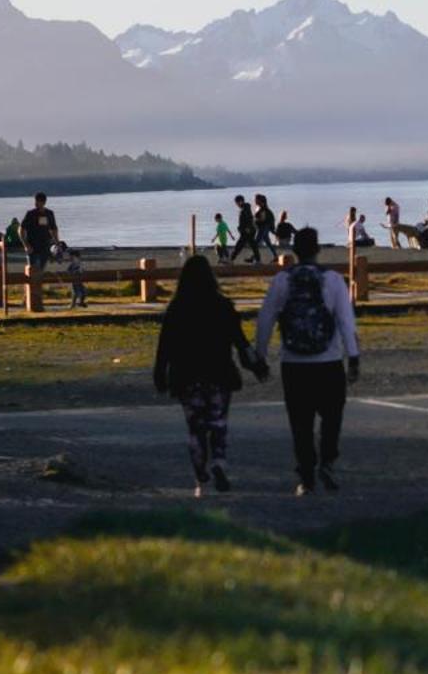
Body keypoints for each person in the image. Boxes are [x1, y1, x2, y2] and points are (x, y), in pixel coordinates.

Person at [255, 226, 360, 497]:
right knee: (332, 416)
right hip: (329, 361)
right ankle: (327, 461)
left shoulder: (282, 280)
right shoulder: (334, 280)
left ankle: (306, 476)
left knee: (300, 422)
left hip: (294, 363)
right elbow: (346, 322)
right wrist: (354, 357)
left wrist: (261, 355)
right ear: (317, 249)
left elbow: (265, 319)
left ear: (294, 250)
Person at [153, 255, 260, 496]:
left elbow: (165, 346)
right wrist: (255, 365)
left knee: (196, 427)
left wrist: (160, 373)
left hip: (187, 375)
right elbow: (240, 341)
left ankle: (200, 472)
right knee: (218, 423)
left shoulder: (177, 308)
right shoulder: (223, 305)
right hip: (219, 373)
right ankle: (219, 462)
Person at [21, 192, 59, 269]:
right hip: (32, 247)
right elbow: (21, 230)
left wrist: (57, 243)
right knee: (33, 270)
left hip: (45, 247)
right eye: (35, 201)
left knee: (41, 270)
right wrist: (26, 245)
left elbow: (54, 229)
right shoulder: (30, 214)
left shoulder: (49, 214)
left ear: (44, 202)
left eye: (38, 201)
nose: (36, 203)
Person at [233, 195, 260, 265]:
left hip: (247, 231)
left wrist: (247, 228)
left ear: (241, 201)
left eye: (237, 203)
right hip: (248, 230)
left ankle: (231, 259)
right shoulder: (245, 208)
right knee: (252, 245)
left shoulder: (245, 209)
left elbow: (249, 218)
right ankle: (258, 260)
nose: (236, 205)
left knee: (239, 245)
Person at [254, 194, 278, 259]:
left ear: (260, 201)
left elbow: (263, 219)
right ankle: (276, 256)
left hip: (263, 227)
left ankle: (253, 258)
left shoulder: (263, 209)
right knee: (268, 243)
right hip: (264, 227)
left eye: (256, 199)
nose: (254, 201)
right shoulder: (261, 208)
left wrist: (254, 219)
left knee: (256, 242)